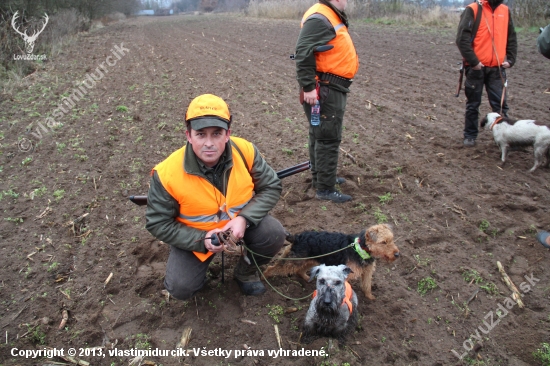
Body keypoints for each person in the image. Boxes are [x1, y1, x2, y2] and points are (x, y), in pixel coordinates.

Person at [145, 94, 286, 299]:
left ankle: (245, 273)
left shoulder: (245, 151)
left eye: (217, 133)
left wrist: (243, 220)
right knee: (180, 288)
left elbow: (271, 186)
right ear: (188, 135)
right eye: (201, 134)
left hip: (240, 226)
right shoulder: (166, 174)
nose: (209, 143)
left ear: (227, 134)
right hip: (197, 235)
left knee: (274, 234)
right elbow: (158, 223)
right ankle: (198, 270)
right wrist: (202, 241)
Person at [295, 0, 359, 203]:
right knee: (327, 137)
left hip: (329, 87)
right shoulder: (321, 17)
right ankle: (325, 188)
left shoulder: (326, 14)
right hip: (326, 88)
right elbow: (303, 51)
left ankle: (322, 178)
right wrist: (308, 87)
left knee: (320, 134)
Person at [456, 0, 517, 147]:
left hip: (497, 69)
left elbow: (512, 37)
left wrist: (511, 59)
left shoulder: (505, 10)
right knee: (473, 104)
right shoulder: (473, 9)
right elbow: (461, 39)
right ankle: (470, 135)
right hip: (476, 68)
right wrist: (474, 62)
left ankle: (505, 138)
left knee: (501, 105)